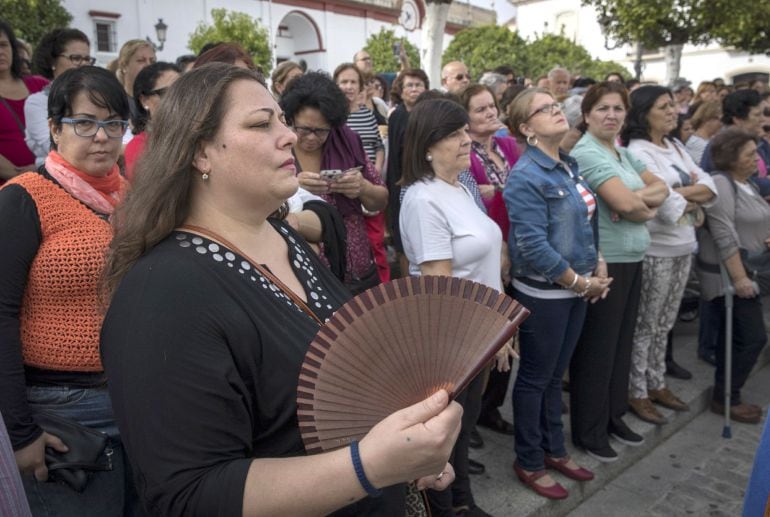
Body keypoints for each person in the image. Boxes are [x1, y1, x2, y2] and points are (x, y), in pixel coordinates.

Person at [99, 62, 461, 517]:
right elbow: (190, 494)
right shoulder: (161, 294)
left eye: (282, 119)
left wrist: (410, 448)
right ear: (200, 154)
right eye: (260, 123)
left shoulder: (284, 237)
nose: (288, 136)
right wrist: (368, 465)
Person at [0, 66, 143, 515]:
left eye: (113, 124)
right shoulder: (23, 197)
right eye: (85, 123)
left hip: (137, 403)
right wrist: (20, 433)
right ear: (55, 129)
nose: (101, 137)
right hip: (62, 415)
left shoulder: (135, 199)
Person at [400, 98, 507, 517]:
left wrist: (500, 326)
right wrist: (490, 332)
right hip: (449, 340)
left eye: (466, 131)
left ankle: (462, 500)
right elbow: (442, 290)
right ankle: (451, 507)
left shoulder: (459, 186)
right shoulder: (424, 199)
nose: (468, 140)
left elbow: (481, 266)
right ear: (428, 145)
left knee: (464, 426)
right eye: (455, 134)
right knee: (448, 433)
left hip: (478, 332)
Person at [505, 87, 608, 499]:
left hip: (576, 288)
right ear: (527, 128)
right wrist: (580, 282)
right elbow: (532, 245)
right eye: (543, 110)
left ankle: (554, 448)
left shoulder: (570, 163)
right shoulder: (525, 176)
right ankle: (528, 458)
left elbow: (585, 220)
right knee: (534, 379)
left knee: (552, 378)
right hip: (546, 293)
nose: (556, 111)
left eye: (555, 105)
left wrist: (597, 261)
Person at [568, 82, 669, 462]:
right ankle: (589, 430)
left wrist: (636, 204)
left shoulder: (623, 154)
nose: (611, 115)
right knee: (598, 349)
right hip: (606, 261)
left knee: (621, 345)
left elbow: (661, 189)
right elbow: (624, 204)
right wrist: (636, 205)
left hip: (633, 257)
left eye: (618, 109)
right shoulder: (586, 152)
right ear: (587, 115)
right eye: (603, 108)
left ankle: (613, 416)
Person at [622, 85, 717, 425]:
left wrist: (678, 193)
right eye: (663, 106)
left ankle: (657, 380)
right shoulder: (638, 151)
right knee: (646, 324)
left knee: (665, 322)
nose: (673, 111)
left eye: (674, 105)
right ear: (644, 112)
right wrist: (686, 198)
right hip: (657, 249)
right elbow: (663, 207)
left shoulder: (676, 146)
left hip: (683, 246)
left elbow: (711, 187)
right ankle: (636, 390)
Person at [281, 72, 387, 294]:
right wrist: (293, 187)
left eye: (321, 131)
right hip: (305, 276)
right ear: (290, 119)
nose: (311, 138)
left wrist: (363, 188)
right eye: (303, 129)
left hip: (357, 269)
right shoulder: (279, 148)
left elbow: (380, 199)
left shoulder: (348, 141)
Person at [694, 128, 768, 424]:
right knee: (752, 338)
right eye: (749, 154)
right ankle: (727, 396)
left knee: (739, 337)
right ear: (730, 156)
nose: (756, 159)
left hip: (755, 268)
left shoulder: (746, 183)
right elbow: (724, 234)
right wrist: (739, 279)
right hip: (732, 275)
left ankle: (727, 392)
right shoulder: (723, 184)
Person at [333, 63, 389, 283]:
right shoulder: (333, 119)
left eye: (353, 82)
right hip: (343, 187)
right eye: (343, 82)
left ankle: (384, 289)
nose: (348, 86)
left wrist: (375, 169)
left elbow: (378, 145)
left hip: (370, 183)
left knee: (376, 242)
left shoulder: (368, 114)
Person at [24, 28, 93, 166]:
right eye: (76, 58)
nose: (83, 64)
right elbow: (54, 146)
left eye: (87, 59)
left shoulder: (95, 98)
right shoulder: (37, 102)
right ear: (53, 62)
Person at [386, 68, 428, 275]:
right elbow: (393, 157)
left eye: (418, 84)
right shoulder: (397, 116)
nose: (414, 89)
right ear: (401, 91)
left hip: (429, 181)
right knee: (405, 241)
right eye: (409, 85)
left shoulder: (431, 114)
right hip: (403, 182)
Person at [0, 19, 48, 182]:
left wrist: (43, 169)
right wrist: (22, 177)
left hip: (50, 181)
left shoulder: (39, 84)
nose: (0, 52)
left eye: (3, 45)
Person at [701, 89, 770, 198]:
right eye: (757, 115)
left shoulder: (759, 141)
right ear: (738, 119)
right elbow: (739, 183)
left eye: (764, 113)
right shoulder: (722, 147)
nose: (763, 119)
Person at [123, 62, 180, 181]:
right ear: (144, 100)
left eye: (181, 91)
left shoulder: (199, 136)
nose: (178, 99)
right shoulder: (138, 147)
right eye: (167, 93)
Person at [114, 39, 156, 134]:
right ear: (124, 65)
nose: (148, 65)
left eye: (152, 61)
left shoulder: (158, 99)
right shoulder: (115, 101)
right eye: (141, 60)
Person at [685, 100, 722, 164]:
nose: (721, 123)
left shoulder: (713, 138)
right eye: (717, 119)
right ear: (706, 119)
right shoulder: (696, 143)